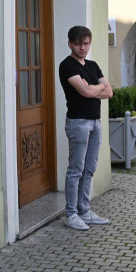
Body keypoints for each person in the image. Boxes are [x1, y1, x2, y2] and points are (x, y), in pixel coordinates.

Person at [58, 26, 113, 230]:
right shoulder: (67, 66)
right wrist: (93, 89)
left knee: (89, 169)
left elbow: (109, 92)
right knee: (76, 170)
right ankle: (71, 214)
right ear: (70, 43)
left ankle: (84, 210)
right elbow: (86, 92)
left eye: (86, 43)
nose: (83, 47)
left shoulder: (92, 65)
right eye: (79, 44)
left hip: (95, 122)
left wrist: (92, 88)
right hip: (78, 123)